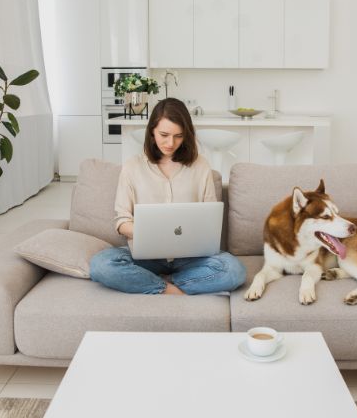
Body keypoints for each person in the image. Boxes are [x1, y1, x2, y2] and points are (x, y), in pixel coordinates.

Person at [89, 98, 246, 295]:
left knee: (234, 271)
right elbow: (122, 222)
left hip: (190, 257)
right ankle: (170, 289)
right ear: (152, 131)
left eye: (178, 136)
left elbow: (210, 220)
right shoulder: (132, 167)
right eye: (164, 135)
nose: (170, 143)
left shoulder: (201, 166)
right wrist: (153, 235)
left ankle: (154, 283)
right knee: (101, 265)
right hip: (145, 257)